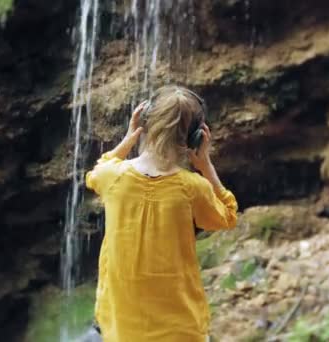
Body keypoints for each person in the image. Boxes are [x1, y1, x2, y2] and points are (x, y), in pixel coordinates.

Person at [85, 85, 238, 342]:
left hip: (122, 326)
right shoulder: (194, 188)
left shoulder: (112, 176)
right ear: (195, 139)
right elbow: (228, 216)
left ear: (144, 124)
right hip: (179, 327)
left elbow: (96, 172)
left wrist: (128, 139)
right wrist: (206, 165)